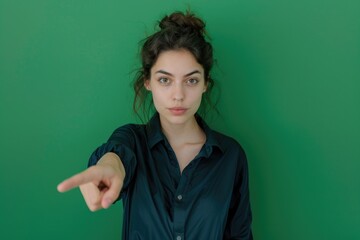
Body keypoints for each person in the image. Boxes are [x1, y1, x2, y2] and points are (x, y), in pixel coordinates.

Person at [57, 10, 253, 240]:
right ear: (148, 82)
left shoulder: (230, 155)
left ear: (205, 84)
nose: (178, 95)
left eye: (191, 80)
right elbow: (116, 156)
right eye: (164, 80)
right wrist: (109, 168)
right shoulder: (132, 139)